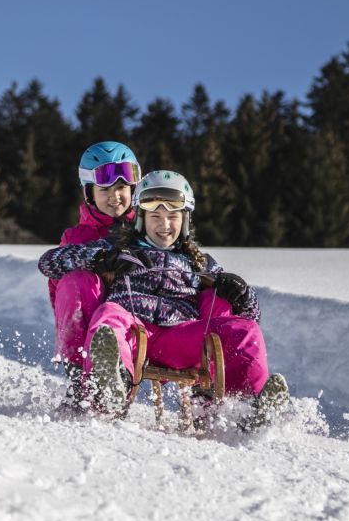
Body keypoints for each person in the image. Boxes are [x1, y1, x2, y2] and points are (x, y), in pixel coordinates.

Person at [38, 170, 290, 431]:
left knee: (245, 330)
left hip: (181, 335)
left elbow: (251, 316)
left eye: (172, 217)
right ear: (141, 220)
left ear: (185, 220)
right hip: (134, 328)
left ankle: (247, 408)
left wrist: (243, 294)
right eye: (155, 217)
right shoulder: (118, 249)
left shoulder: (199, 262)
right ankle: (110, 387)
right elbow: (49, 262)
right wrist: (101, 259)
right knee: (109, 314)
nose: (164, 225)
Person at [46, 140, 142, 413]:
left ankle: (115, 381)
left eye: (122, 187)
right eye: (105, 189)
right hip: (87, 325)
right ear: (89, 193)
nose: (116, 196)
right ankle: (84, 381)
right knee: (75, 281)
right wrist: (95, 260)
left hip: (135, 321)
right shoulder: (76, 238)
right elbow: (59, 293)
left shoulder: (147, 231)